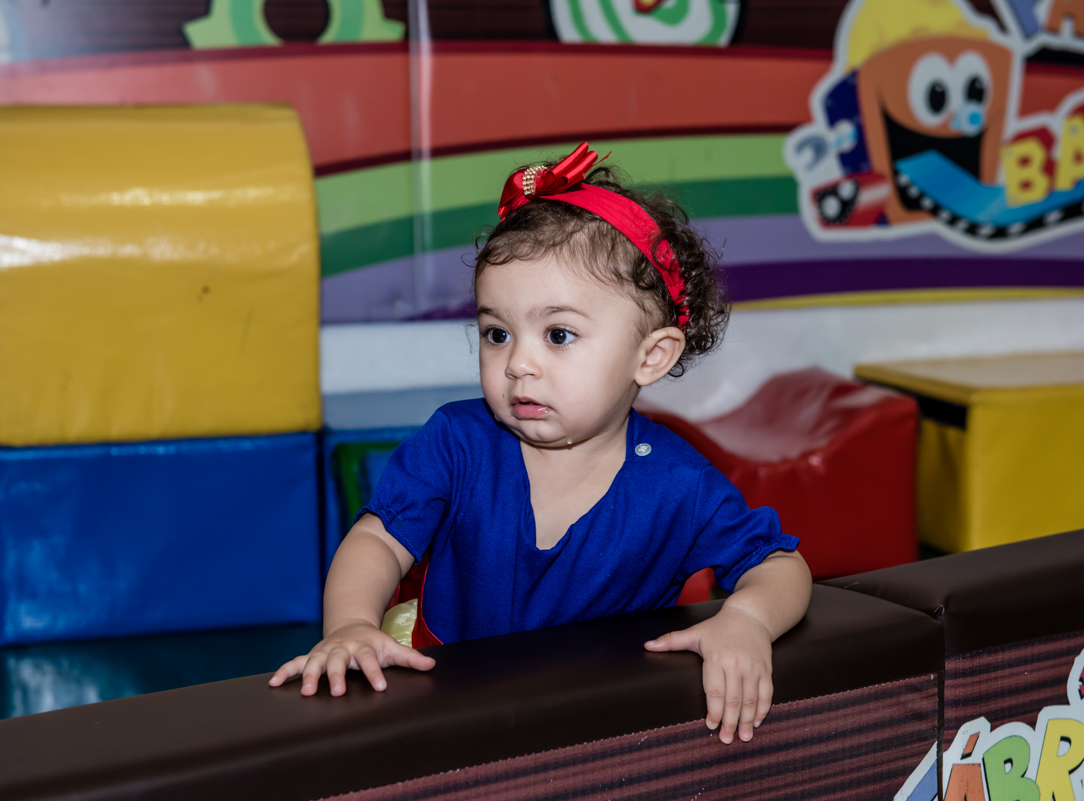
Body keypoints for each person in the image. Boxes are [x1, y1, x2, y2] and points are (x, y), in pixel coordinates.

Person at [270, 143, 812, 745]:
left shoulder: (679, 485)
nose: (518, 364)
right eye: (497, 333)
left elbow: (780, 565)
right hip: (442, 700)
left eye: (558, 335)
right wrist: (349, 625)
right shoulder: (459, 442)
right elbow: (378, 539)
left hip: (593, 725)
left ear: (651, 356)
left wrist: (747, 619)